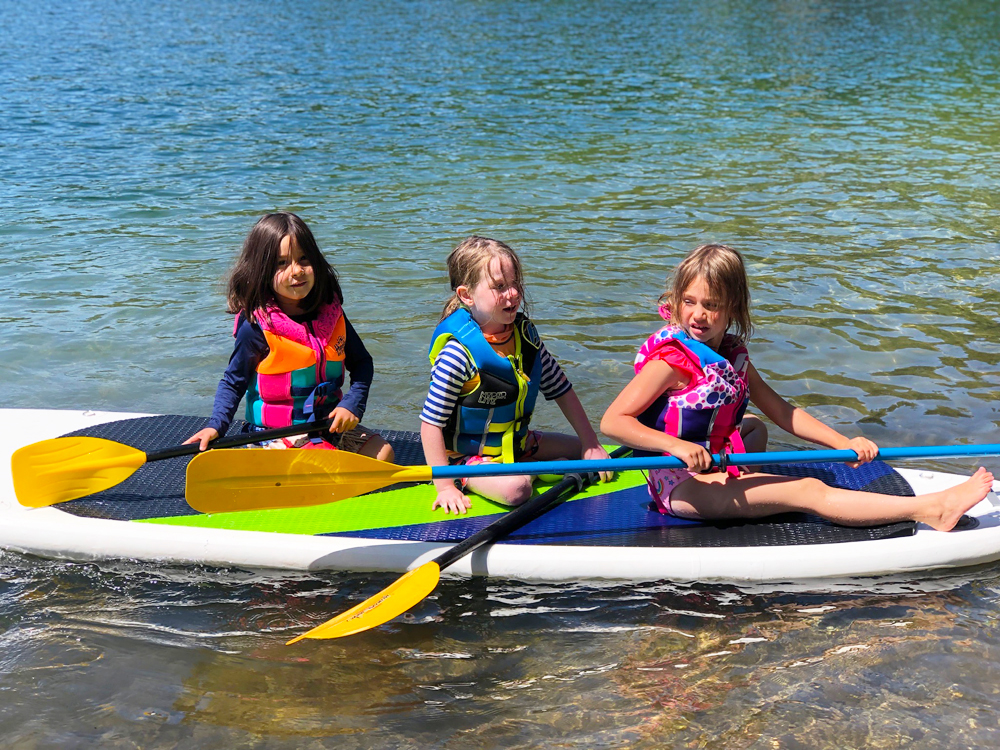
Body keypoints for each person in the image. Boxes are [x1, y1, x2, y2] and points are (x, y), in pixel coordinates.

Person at [600, 243, 992, 531]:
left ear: (734, 308)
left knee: (754, 426)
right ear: (677, 300)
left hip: (712, 464)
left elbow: (783, 412)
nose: (698, 315)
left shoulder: (731, 359)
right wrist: (676, 445)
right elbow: (614, 421)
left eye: (712, 304)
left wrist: (842, 444)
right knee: (807, 488)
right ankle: (929, 510)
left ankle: (746, 488)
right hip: (680, 484)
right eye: (689, 301)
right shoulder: (671, 362)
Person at [420, 236, 612, 514]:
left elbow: (561, 390)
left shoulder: (526, 339)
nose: (512, 293)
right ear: (466, 295)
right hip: (467, 457)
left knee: (588, 452)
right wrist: (445, 487)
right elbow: (430, 424)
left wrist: (591, 443)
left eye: (515, 283)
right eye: (499, 287)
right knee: (517, 490)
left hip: (519, 444)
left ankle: (530, 467)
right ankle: (525, 473)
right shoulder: (457, 355)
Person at [184, 212, 393, 461]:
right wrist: (216, 426)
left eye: (304, 259)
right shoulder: (256, 325)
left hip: (326, 426)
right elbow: (234, 381)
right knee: (322, 460)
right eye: (282, 263)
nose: (297, 271)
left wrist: (352, 404)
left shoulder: (332, 314)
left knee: (383, 455)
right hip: (273, 433)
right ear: (261, 270)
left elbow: (361, 363)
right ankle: (260, 461)